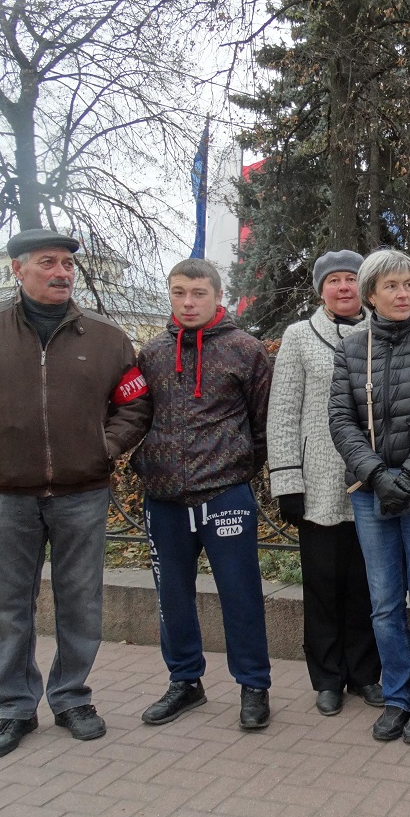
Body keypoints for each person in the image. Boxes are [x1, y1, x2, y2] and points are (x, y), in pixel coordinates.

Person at [0, 228, 151, 759]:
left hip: (83, 491)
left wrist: (106, 446)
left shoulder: (106, 336)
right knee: (10, 608)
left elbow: (134, 403)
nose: (61, 272)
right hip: (7, 492)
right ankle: (14, 708)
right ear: (18, 270)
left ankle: (72, 697)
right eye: (48, 262)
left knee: (81, 602)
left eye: (68, 264)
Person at [327, 249, 410, 746]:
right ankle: (397, 693)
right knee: (385, 603)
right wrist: (374, 475)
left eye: (408, 284)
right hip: (370, 492)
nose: (403, 293)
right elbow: (340, 421)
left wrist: (405, 476)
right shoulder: (350, 350)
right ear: (370, 295)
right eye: (391, 286)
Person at [133, 260, 274, 731]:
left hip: (225, 495)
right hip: (164, 499)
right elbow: (135, 417)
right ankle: (185, 681)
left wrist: (235, 470)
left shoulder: (245, 350)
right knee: (172, 596)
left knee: (241, 595)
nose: (187, 302)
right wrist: (147, 464)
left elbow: (263, 426)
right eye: (178, 293)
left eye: (197, 293)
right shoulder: (151, 354)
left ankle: (254, 685)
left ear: (217, 296)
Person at [267, 249, 383, 717]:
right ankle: (328, 678)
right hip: (317, 484)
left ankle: (365, 673)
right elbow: (282, 411)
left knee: (367, 585)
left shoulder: (383, 333)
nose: (343, 288)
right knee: (322, 586)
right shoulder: (298, 337)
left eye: (351, 279)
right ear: (321, 289)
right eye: (333, 280)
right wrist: (287, 481)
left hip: (372, 481)